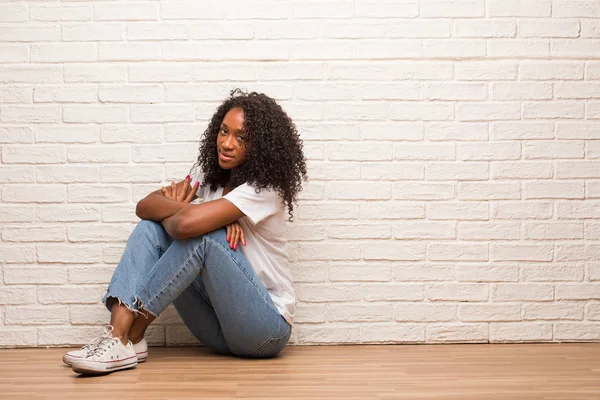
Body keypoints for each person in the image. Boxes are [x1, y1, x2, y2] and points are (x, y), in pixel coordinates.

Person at [63, 89, 308, 375]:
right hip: (218, 328)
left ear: (261, 146)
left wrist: (192, 216)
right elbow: (145, 206)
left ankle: (130, 334)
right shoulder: (211, 174)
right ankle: (120, 338)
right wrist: (198, 213)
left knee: (206, 236)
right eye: (223, 131)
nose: (227, 144)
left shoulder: (264, 188)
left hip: (263, 330)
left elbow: (183, 226)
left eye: (241, 138)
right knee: (149, 229)